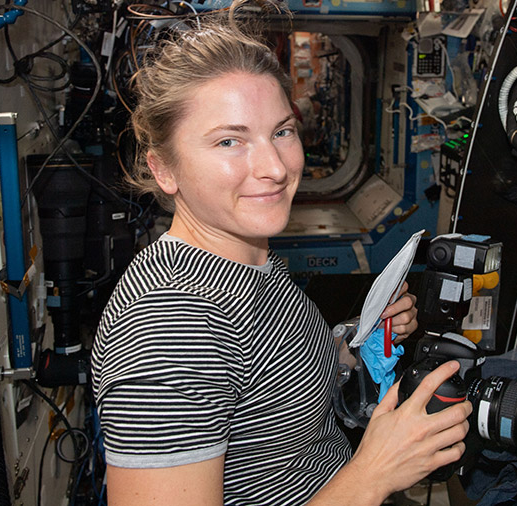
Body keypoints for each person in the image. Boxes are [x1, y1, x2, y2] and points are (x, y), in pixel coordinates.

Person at [90, 7, 471, 505]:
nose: (273, 167)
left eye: (282, 131)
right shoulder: (172, 328)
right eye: (230, 141)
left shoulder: (243, 264)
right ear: (164, 170)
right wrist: (374, 474)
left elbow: (263, 388)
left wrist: (353, 342)